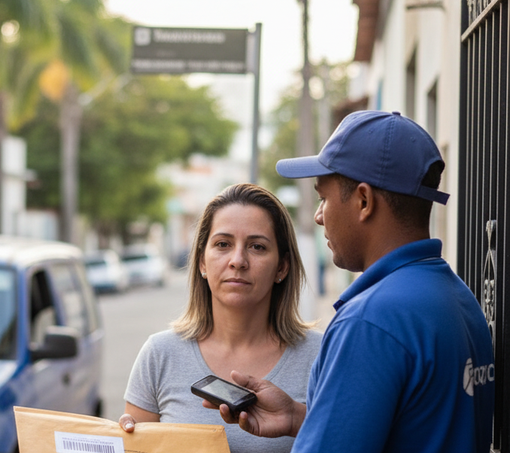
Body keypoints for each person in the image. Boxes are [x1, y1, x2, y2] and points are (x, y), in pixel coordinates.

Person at [207, 110, 495, 452]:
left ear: (363, 201)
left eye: (323, 198)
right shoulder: (457, 298)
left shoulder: (370, 321)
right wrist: (302, 418)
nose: (318, 215)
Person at [119, 183, 323, 453]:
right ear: (202, 262)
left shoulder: (323, 356)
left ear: (282, 267)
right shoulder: (159, 355)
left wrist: (298, 420)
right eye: (223, 244)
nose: (238, 260)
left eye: (257, 247)